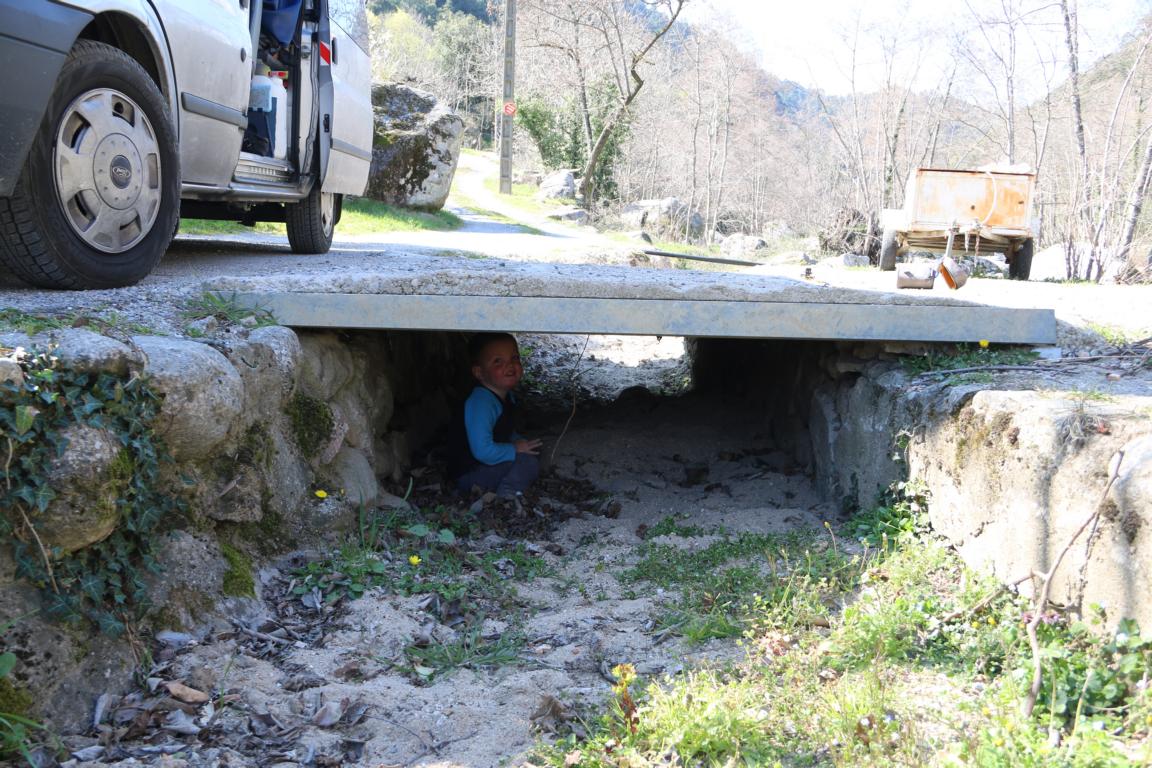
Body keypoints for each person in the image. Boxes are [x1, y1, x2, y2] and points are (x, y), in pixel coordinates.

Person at [448, 332, 542, 498]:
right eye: (498, 361)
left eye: (514, 358)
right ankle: (507, 492)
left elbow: (505, 431)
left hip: (487, 465)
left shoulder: (506, 396)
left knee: (532, 452)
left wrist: (520, 443)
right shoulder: (481, 403)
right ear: (479, 372)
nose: (510, 365)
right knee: (527, 462)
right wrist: (515, 449)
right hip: (471, 473)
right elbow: (483, 451)